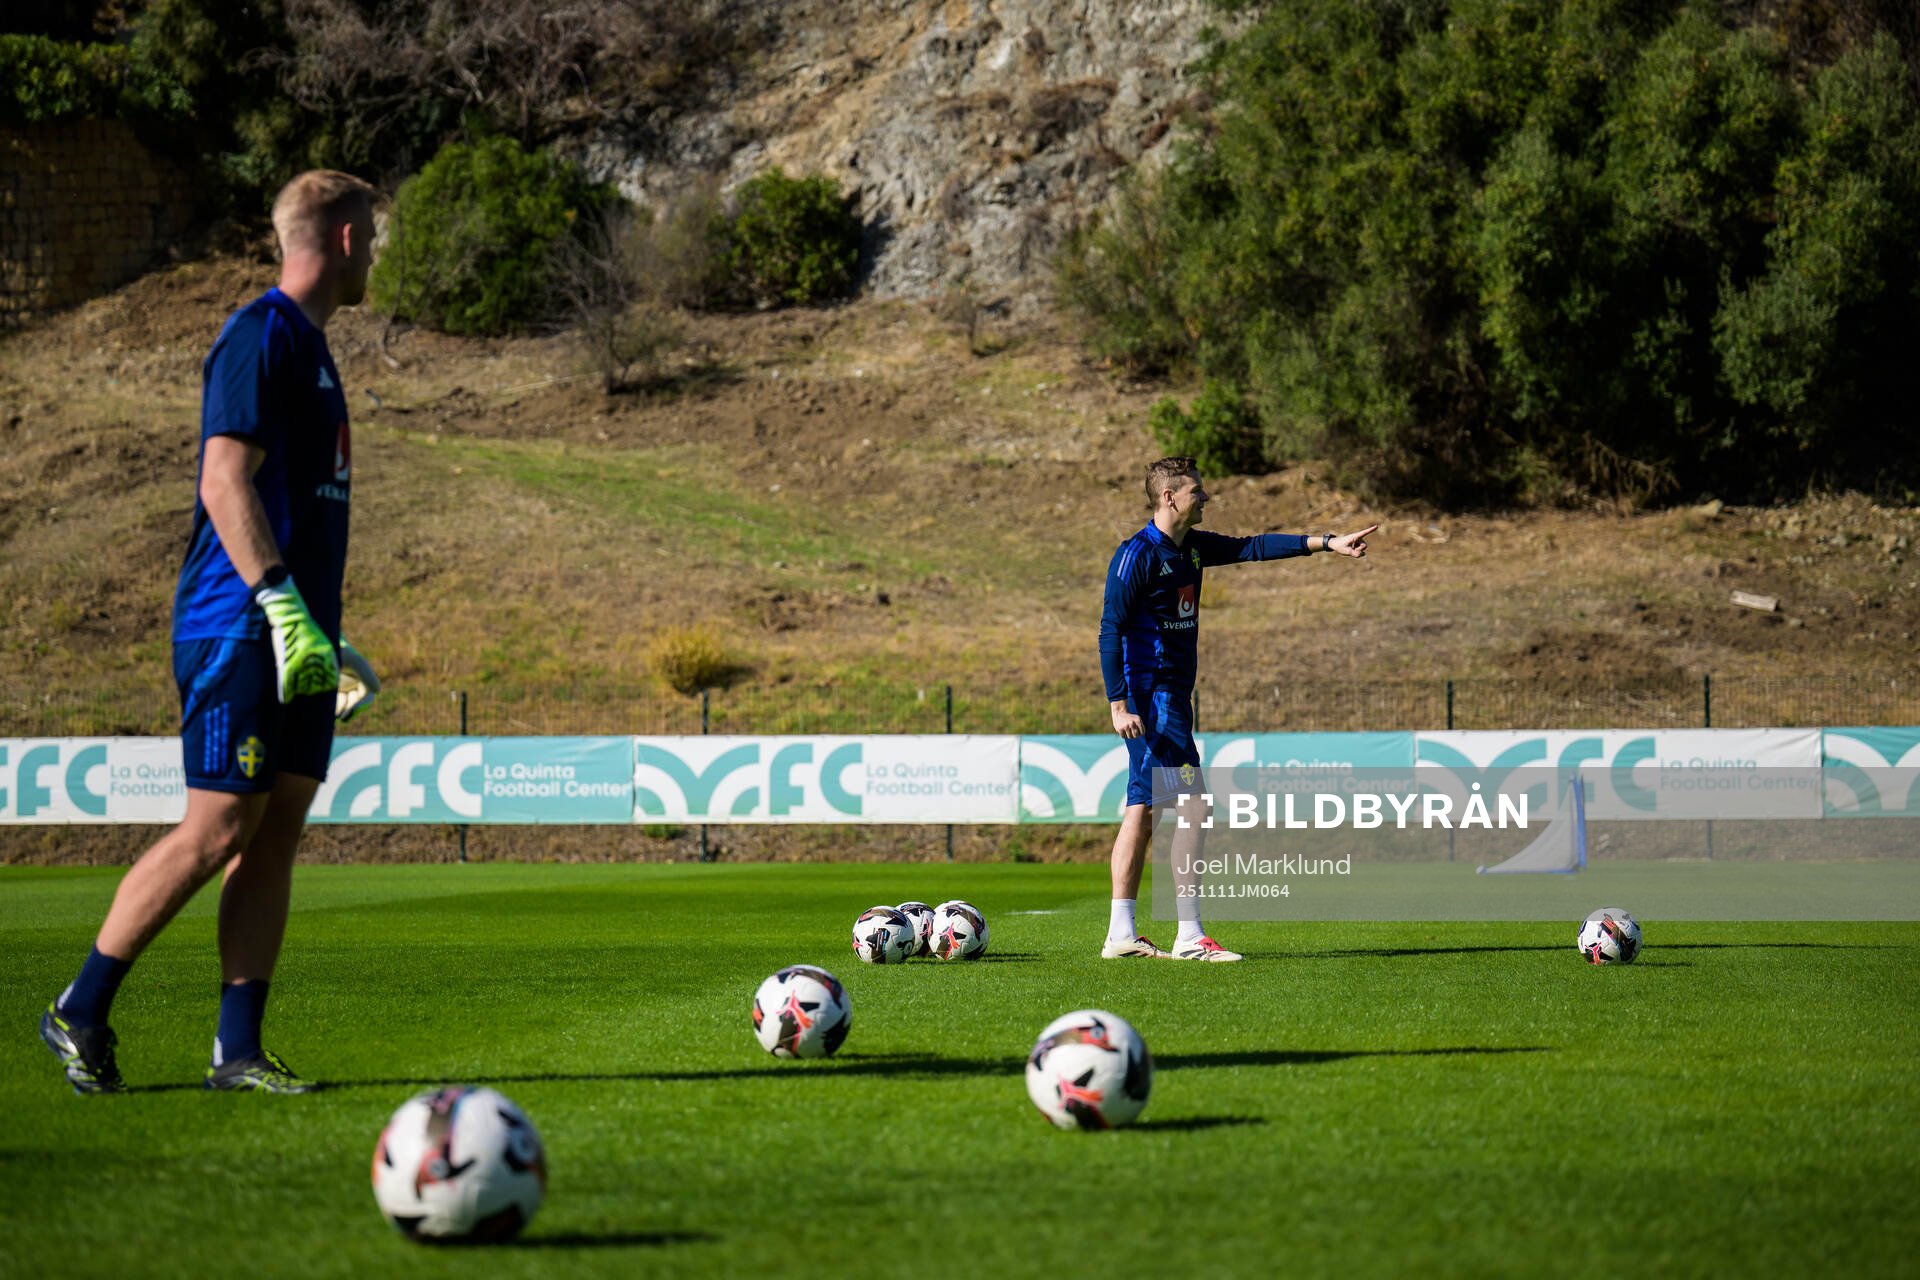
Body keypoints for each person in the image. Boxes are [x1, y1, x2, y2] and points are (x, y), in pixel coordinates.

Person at [39, 170, 382, 1093]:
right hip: (236, 623)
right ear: (346, 239)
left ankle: (237, 1052)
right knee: (221, 821)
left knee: (276, 829)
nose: (375, 256)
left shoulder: (312, 347)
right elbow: (223, 479)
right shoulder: (259, 332)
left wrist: (319, 630)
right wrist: (278, 605)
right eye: (373, 237)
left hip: (292, 628)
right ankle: (78, 1008)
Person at [1098, 456, 1375, 961]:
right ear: (1169, 497)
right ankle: (1189, 936)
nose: (1205, 497)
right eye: (1196, 491)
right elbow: (1109, 630)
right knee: (1194, 804)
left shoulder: (1193, 547)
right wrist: (1119, 704)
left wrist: (1326, 542)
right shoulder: (1135, 555)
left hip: (1169, 697)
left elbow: (1254, 547)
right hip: (1154, 700)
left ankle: (1120, 935)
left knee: (1143, 808)